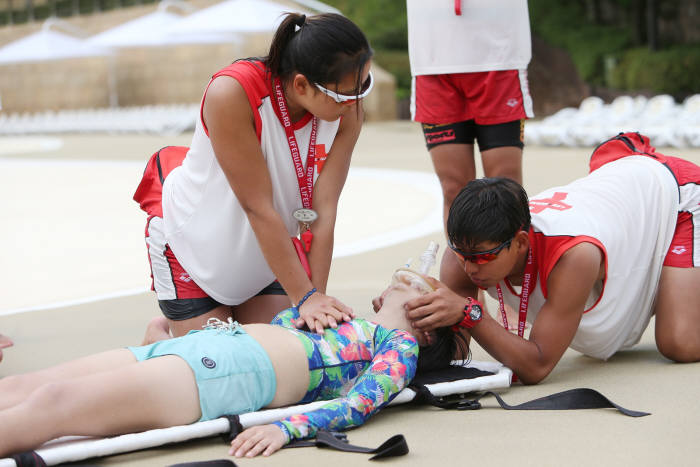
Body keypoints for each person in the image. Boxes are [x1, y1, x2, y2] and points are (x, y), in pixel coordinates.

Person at [0, 268, 467, 459]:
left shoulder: (398, 345)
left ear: (429, 327)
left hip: (224, 374)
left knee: (54, 402)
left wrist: (288, 428)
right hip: (203, 347)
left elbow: (358, 405)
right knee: (23, 385)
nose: (411, 275)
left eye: (422, 286)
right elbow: (277, 326)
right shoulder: (340, 315)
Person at [134, 12, 373, 343]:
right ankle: (161, 338)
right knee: (220, 377)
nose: (356, 102)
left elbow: (324, 210)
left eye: (364, 85)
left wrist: (315, 299)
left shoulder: (347, 110)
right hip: (193, 247)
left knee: (287, 358)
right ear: (302, 85)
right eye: (345, 94)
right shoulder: (232, 92)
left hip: (263, 253)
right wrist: (303, 298)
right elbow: (257, 205)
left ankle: (182, 338)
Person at [403, 132, 700, 384]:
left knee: (680, 343)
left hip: (677, 195)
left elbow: (538, 365)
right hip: (625, 193)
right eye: (463, 254)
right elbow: (453, 357)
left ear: (520, 242)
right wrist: (410, 323)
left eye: (482, 256)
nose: (469, 268)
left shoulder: (573, 254)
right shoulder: (462, 258)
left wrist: (471, 314)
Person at [406, 0, 534, 305]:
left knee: (506, 185)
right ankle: (462, 301)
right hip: (433, 59)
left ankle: (518, 296)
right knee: (454, 188)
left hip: (498, 55)